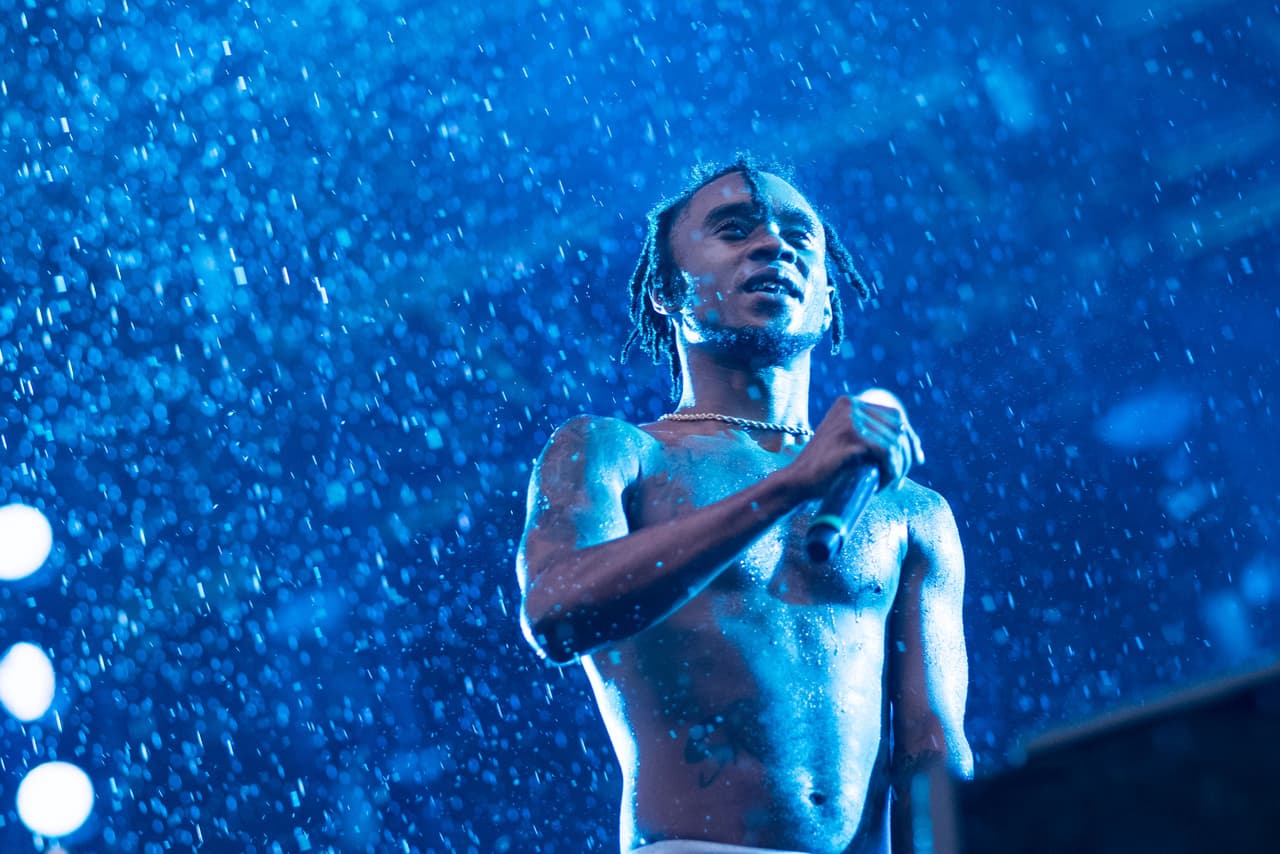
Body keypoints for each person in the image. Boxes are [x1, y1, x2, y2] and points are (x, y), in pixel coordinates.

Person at [515, 156, 973, 854]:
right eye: (734, 229)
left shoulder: (911, 510)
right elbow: (556, 613)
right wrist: (791, 484)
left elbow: (932, 746)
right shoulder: (612, 451)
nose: (773, 245)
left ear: (826, 297)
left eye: (799, 235)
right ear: (666, 290)